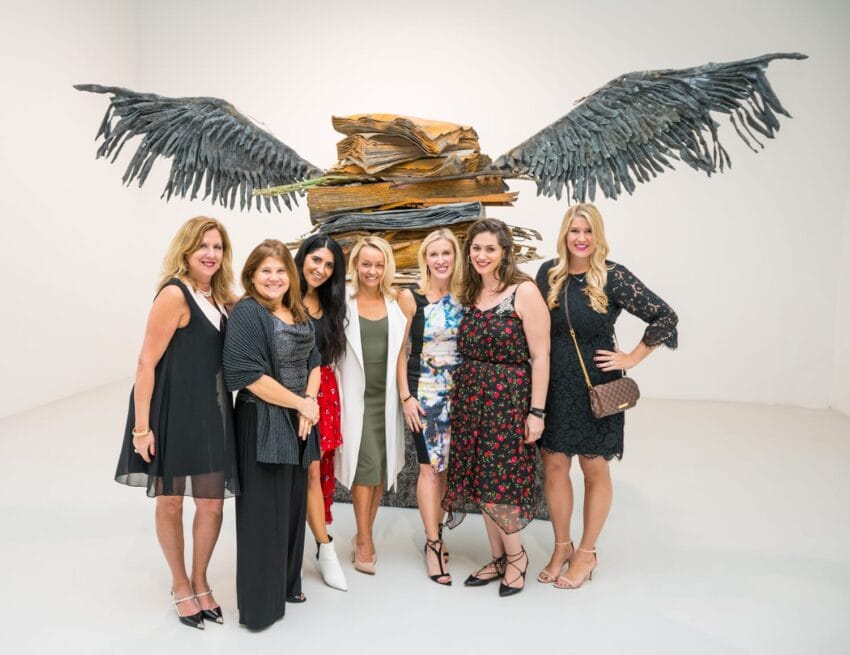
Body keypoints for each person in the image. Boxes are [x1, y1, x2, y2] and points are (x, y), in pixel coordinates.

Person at [535, 203, 678, 589]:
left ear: (598, 236)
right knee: (554, 466)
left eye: (588, 231)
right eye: (574, 231)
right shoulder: (548, 274)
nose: (581, 238)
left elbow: (665, 316)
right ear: (564, 234)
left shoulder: (612, 277)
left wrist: (631, 357)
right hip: (554, 385)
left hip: (596, 386)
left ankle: (586, 552)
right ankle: (561, 546)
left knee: (593, 468)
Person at [115, 216, 239, 630]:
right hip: (170, 411)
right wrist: (141, 428)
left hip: (211, 413)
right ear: (186, 250)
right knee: (170, 500)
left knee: (211, 504)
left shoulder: (220, 298)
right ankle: (180, 582)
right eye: (203, 246)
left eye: (218, 247)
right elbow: (146, 362)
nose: (210, 254)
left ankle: (201, 578)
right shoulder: (174, 294)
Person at [442, 218, 550, 597]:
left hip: (508, 400)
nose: (482, 255)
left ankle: (517, 556)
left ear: (505, 252)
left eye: (490, 248)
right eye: (476, 248)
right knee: (481, 481)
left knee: (500, 483)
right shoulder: (472, 292)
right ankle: (498, 557)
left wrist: (536, 413)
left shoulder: (523, 292)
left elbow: (540, 356)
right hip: (472, 400)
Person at [223, 239, 321, 630]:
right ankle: (260, 608)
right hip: (261, 421)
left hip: (299, 422)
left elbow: (315, 359)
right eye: (266, 270)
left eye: (281, 271)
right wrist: (300, 405)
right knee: (263, 514)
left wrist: (309, 402)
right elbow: (245, 375)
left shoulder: (297, 310)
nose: (274, 277)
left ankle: (285, 584)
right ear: (251, 275)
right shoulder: (248, 312)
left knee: (293, 507)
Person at [335, 236, 406, 575]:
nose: (372, 270)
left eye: (379, 265)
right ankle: (364, 539)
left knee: (379, 470)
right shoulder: (342, 305)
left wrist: (405, 396)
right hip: (355, 399)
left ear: (386, 267)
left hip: (385, 399)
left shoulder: (397, 305)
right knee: (364, 470)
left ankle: (364, 533)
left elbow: (402, 356)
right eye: (366, 264)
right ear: (356, 266)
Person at [397, 229, 464, 586]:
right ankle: (433, 543)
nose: (440, 260)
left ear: (455, 258)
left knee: (448, 470)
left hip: (461, 396)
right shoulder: (412, 298)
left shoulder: (465, 298)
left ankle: (440, 530)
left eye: (446, 254)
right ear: (425, 258)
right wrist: (406, 397)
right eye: (433, 254)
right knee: (429, 470)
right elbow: (400, 351)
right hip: (425, 396)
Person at [294, 235, 348, 591]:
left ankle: (324, 548)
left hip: (323, 393)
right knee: (292, 473)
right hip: (288, 392)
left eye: (329, 265)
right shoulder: (282, 296)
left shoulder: (330, 306)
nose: (321, 269)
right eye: (316, 260)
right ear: (302, 258)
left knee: (315, 471)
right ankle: (297, 547)